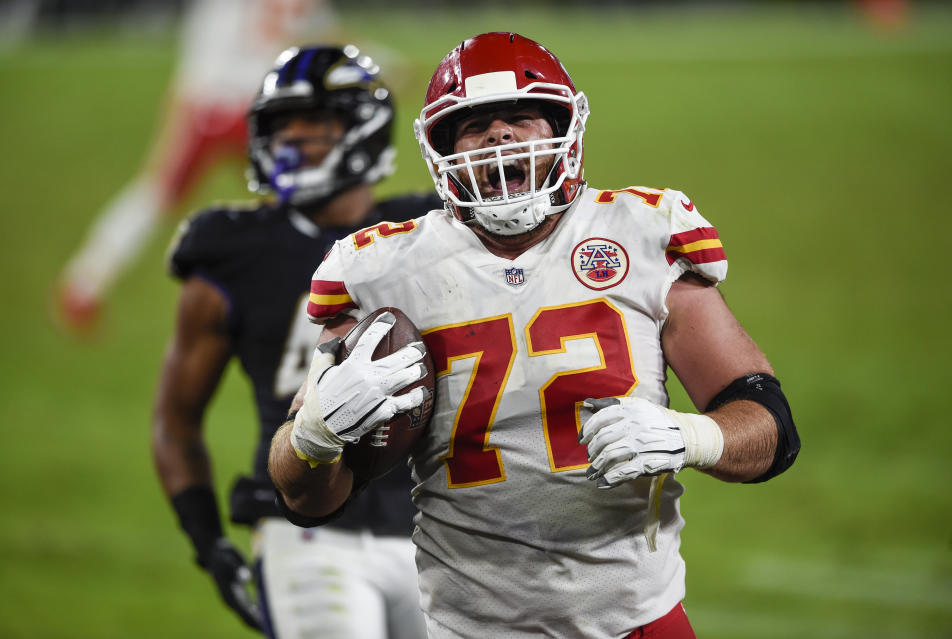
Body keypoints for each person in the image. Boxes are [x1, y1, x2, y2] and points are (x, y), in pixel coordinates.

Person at [269, 32, 801, 639]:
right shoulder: (381, 271)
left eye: (521, 117)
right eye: (474, 124)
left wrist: (691, 435)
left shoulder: (644, 234)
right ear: (441, 147)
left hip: (638, 623)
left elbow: (771, 428)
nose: (498, 135)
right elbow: (304, 498)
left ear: (563, 132)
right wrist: (313, 435)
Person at [152, 45, 437, 638]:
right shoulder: (231, 250)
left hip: (435, 527)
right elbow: (175, 422)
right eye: (283, 124)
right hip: (303, 528)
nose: (295, 138)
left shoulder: (433, 232)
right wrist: (208, 541)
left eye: (316, 122)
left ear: (363, 130)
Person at [56, 0, 339, 336]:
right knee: (308, 200)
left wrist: (172, 124)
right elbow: (323, 35)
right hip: (257, 112)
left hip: (213, 107)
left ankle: (84, 283)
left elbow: (195, 72)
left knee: (156, 193)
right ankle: (326, 290)